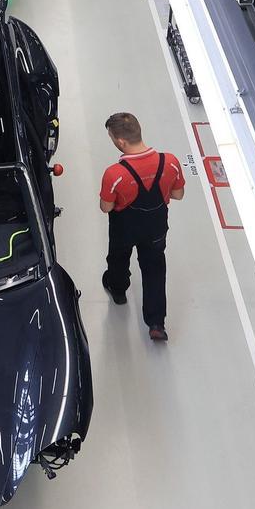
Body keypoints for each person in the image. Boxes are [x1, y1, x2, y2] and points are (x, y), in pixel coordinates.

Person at [99, 112, 185, 341]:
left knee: (118, 257)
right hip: (156, 226)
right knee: (155, 269)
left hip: (124, 227)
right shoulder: (171, 162)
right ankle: (156, 323)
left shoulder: (114, 174)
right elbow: (178, 194)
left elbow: (106, 208)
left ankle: (118, 290)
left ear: (120, 142)